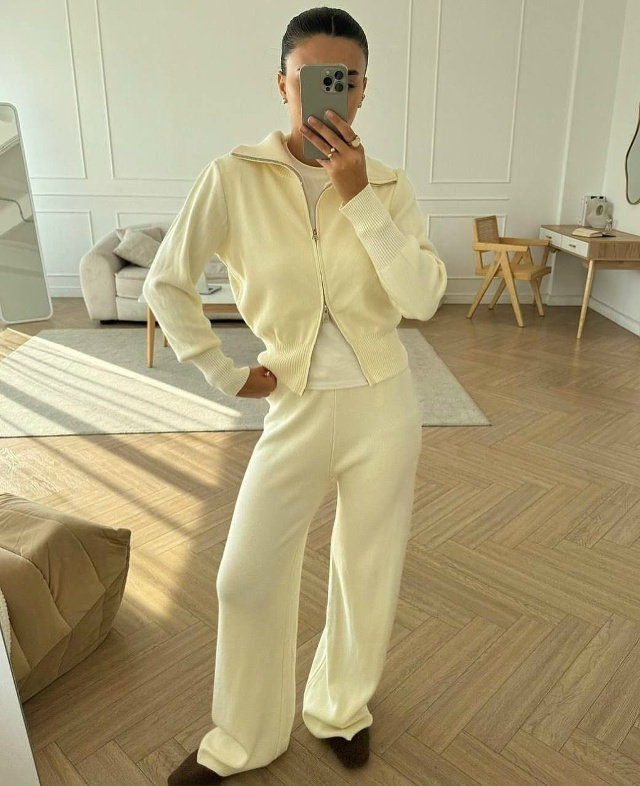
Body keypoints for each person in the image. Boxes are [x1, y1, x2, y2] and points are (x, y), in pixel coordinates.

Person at [142, 7, 447, 785]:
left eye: (346, 80)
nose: (330, 94)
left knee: (366, 572)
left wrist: (359, 197)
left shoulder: (388, 185)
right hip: (296, 406)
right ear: (283, 83)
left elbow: (421, 298)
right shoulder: (233, 177)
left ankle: (341, 708)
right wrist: (223, 371)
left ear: (364, 89)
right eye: (312, 78)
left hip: (384, 407)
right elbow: (166, 284)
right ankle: (244, 738)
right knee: (243, 579)